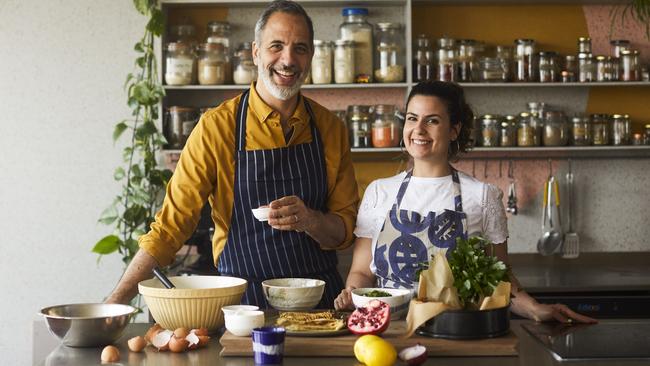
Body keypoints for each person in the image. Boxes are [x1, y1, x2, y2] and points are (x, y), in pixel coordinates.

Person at [106, 0, 359, 308]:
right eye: (276, 46)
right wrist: (115, 303)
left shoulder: (330, 128)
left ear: (311, 57)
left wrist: (310, 221)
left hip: (320, 302)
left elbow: (344, 230)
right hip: (244, 303)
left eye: (300, 48)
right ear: (256, 52)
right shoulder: (217, 127)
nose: (288, 59)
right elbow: (170, 229)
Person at [334, 81, 596, 324]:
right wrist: (351, 293)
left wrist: (536, 308)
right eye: (412, 118)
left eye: (432, 120)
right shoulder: (379, 192)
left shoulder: (482, 196)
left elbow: (499, 279)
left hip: (456, 331)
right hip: (388, 329)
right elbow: (362, 273)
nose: (418, 129)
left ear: (454, 130)